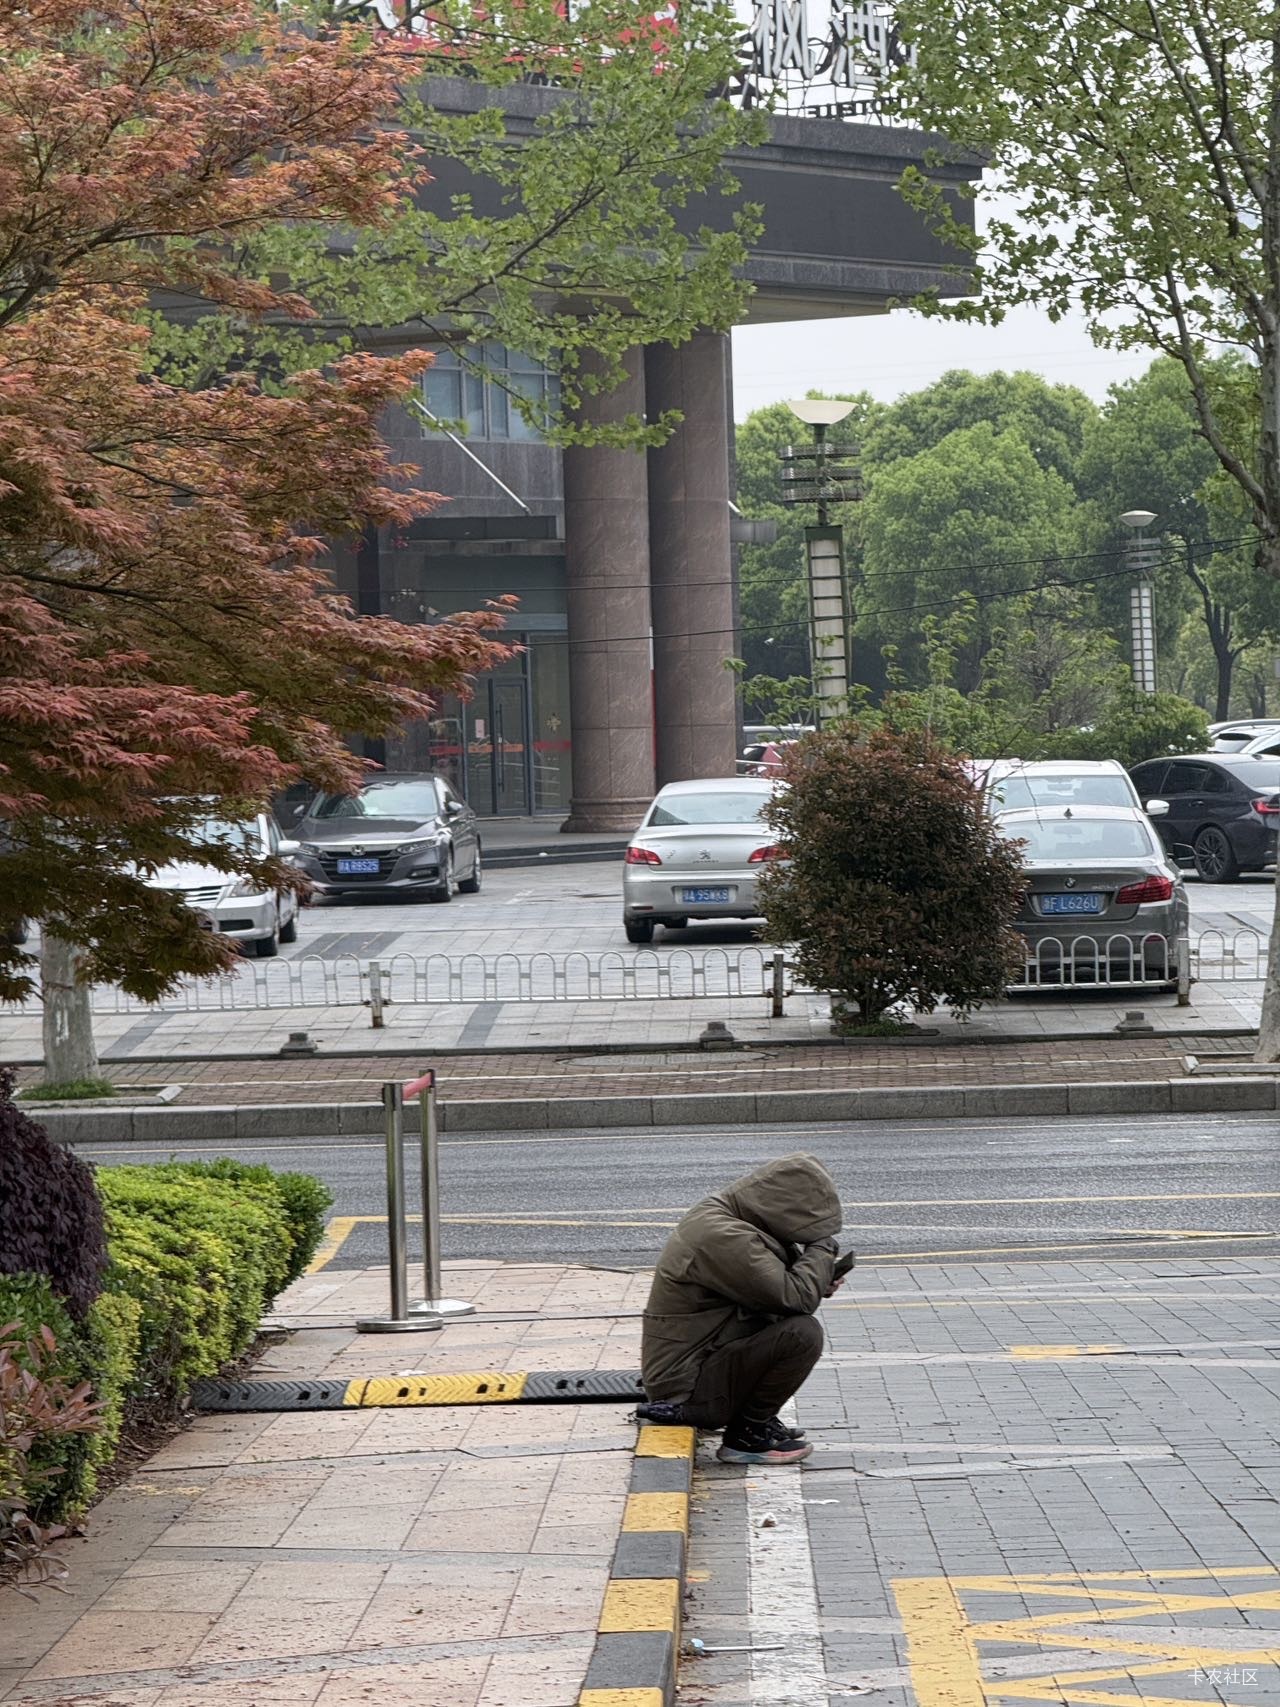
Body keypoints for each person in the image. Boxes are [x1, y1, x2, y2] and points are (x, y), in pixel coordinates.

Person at [638, 1153, 848, 1464]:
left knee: (784, 1323)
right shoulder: (724, 1234)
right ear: (782, 1207)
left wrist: (818, 1279)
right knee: (802, 1334)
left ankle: (753, 1418)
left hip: (694, 1365)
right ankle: (747, 1435)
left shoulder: (730, 1216)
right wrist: (822, 1246)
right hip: (685, 1390)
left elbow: (773, 1287)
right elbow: (795, 1298)